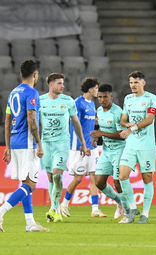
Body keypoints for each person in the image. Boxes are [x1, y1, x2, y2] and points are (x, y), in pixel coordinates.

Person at [0, 59, 49, 232]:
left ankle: (30, 223)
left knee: (25, 182)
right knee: (31, 185)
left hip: (15, 141)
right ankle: (1, 212)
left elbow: (7, 122)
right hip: (27, 143)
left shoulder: (13, 93)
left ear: (21, 74)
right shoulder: (32, 92)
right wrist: (39, 143)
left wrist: (7, 146)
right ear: (35, 75)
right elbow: (31, 119)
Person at [40, 73, 88, 223]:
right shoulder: (40, 101)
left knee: (57, 175)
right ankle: (54, 209)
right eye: (60, 83)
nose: (63, 86)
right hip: (46, 143)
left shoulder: (68, 101)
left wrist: (83, 142)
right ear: (51, 85)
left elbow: (76, 122)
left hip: (62, 143)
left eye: (63, 83)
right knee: (50, 177)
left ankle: (55, 208)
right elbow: (32, 121)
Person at [60, 77, 106, 218]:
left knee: (94, 177)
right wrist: (82, 144)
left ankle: (95, 209)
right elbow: (75, 123)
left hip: (91, 146)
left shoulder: (92, 104)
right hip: (78, 147)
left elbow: (91, 121)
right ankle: (64, 204)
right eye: (97, 89)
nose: (97, 92)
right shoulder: (77, 103)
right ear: (90, 89)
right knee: (78, 178)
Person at [119, 71, 156, 223]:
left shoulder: (150, 98)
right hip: (131, 145)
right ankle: (133, 207)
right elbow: (123, 119)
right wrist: (125, 124)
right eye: (131, 82)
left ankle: (145, 214)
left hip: (146, 146)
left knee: (147, 178)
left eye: (136, 82)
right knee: (122, 176)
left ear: (143, 83)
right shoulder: (127, 99)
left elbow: (149, 119)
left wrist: (131, 129)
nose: (133, 85)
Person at [90, 84, 128, 223]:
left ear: (111, 96)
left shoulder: (118, 112)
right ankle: (119, 202)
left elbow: (122, 134)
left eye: (105, 97)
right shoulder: (99, 110)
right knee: (99, 182)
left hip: (119, 150)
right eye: (100, 97)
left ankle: (128, 212)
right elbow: (102, 127)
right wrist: (96, 136)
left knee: (118, 183)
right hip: (106, 151)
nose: (102, 99)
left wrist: (102, 134)